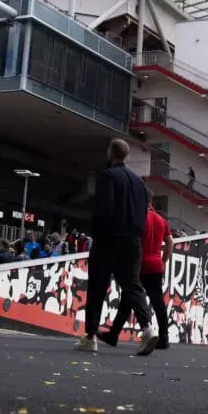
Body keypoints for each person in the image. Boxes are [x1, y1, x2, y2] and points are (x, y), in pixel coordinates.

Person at [75, 139, 160, 356]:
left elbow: (104, 208)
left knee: (97, 287)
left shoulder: (108, 176)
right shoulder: (140, 183)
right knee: (133, 285)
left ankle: (90, 337)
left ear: (110, 154)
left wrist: (95, 231)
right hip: (133, 241)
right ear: (127, 155)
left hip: (108, 239)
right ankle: (148, 329)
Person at [102, 192, 174, 350]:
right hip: (156, 265)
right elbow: (170, 242)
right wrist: (163, 260)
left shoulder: (138, 218)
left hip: (138, 265)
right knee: (158, 302)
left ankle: (113, 334)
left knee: (127, 299)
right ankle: (164, 337)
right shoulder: (161, 220)